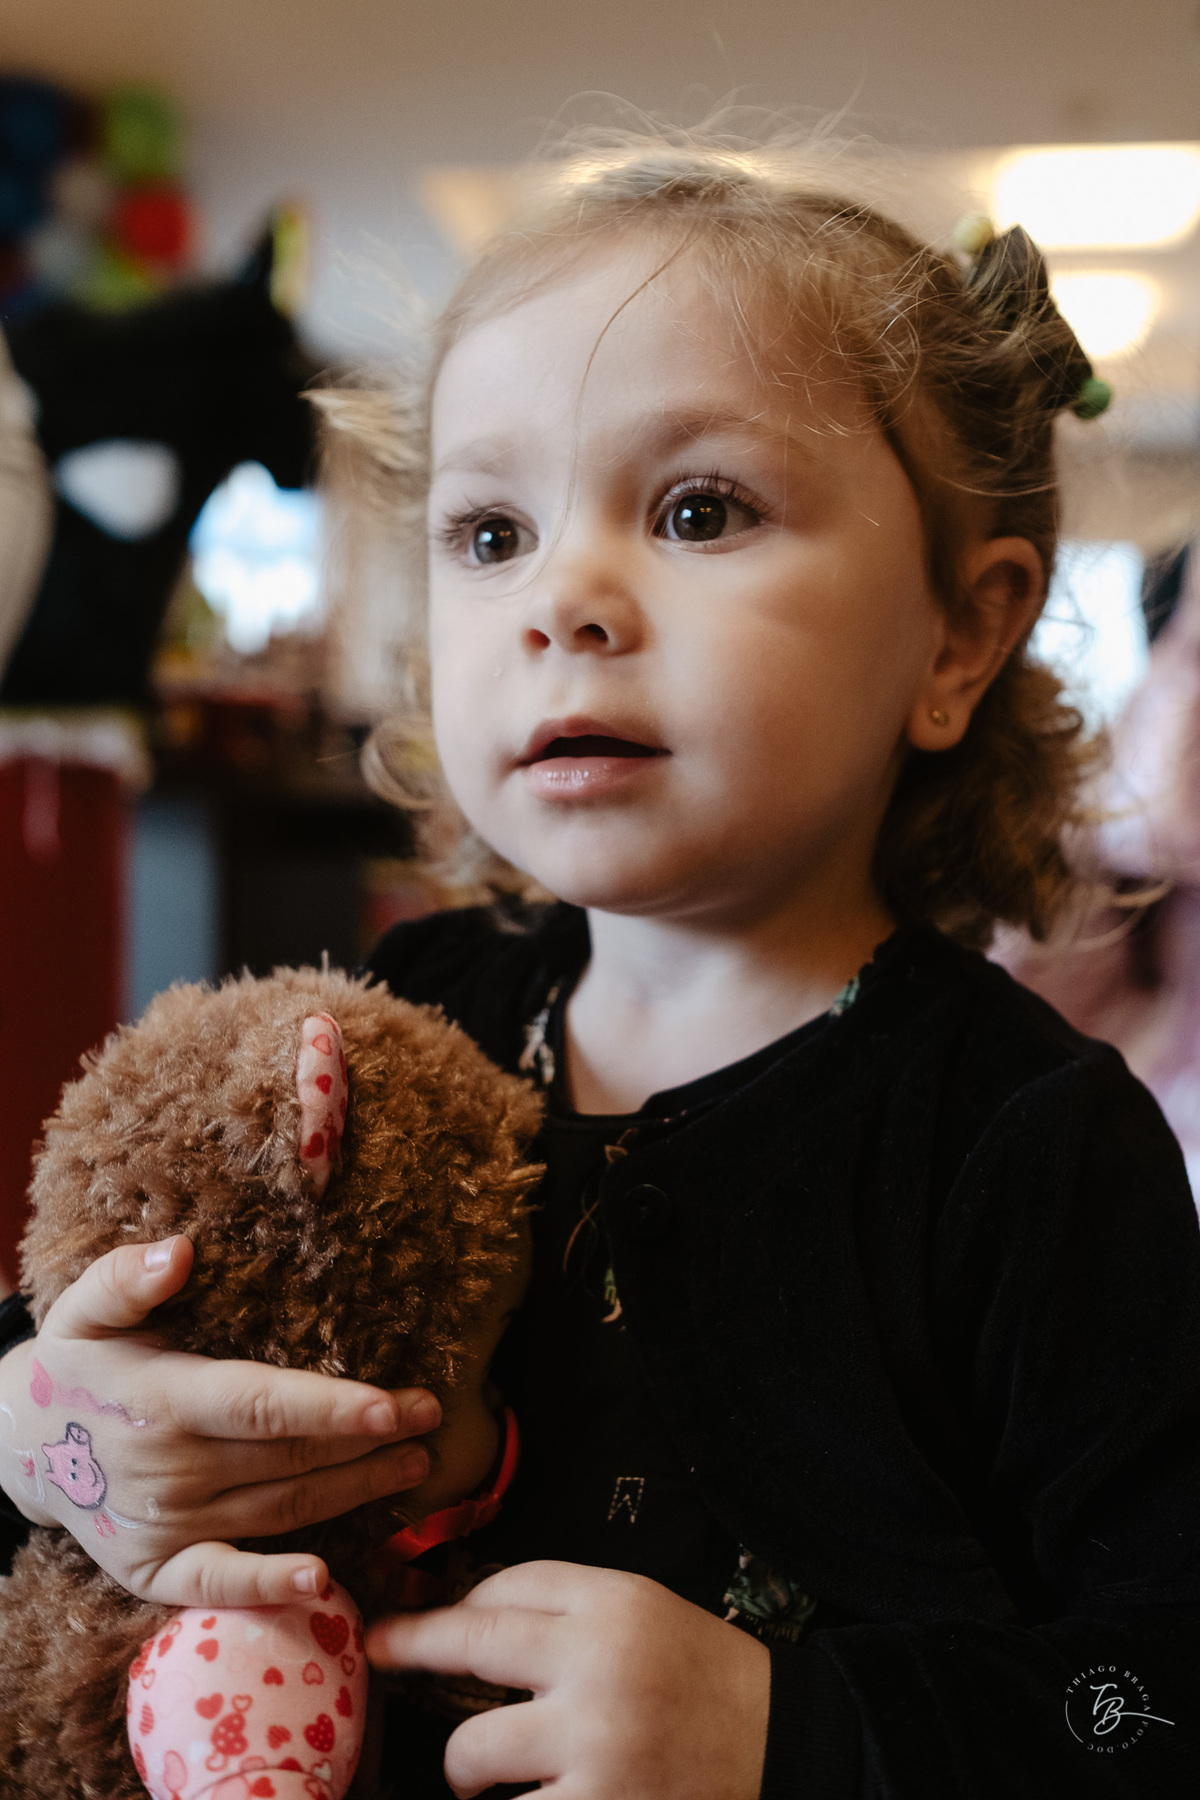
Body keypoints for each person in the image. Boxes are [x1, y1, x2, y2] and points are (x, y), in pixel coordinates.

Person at [2, 133, 1199, 1798]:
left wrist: (795, 1733)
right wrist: (59, 1434)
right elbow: (95, 1356)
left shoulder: (1033, 1145)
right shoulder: (402, 1007)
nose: (561, 594)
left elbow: (1154, 1698)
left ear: (959, 634)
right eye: (490, 533)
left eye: (700, 509)